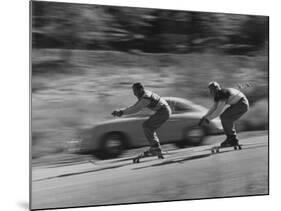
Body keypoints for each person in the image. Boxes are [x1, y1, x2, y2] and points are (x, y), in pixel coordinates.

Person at [112, 82, 171, 158]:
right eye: (133, 91)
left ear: (141, 89)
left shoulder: (146, 97)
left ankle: (155, 148)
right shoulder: (144, 94)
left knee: (147, 126)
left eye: (135, 91)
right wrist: (121, 111)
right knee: (147, 126)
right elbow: (135, 106)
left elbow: (136, 109)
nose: (134, 93)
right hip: (163, 111)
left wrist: (121, 112)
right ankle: (156, 148)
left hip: (164, 111)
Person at [199, 81, 249, 147]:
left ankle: (232, 139)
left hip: (242, 104)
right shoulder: (218, 94)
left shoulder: (223, 93)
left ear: (217, 89)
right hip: (238, 104)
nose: (212, 91)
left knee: (225, 117)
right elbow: (214, 108)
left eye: (213, 89)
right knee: (224, 117)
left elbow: (218, 110)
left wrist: (208, 119)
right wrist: (205, 117)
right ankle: (230, 138)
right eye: (211, 90)